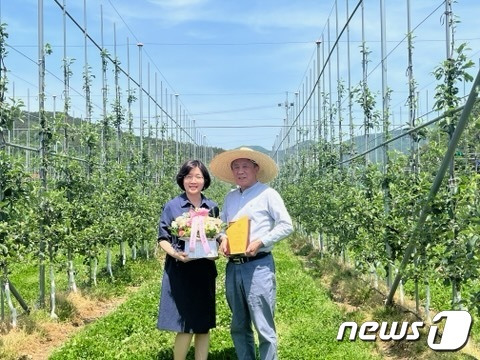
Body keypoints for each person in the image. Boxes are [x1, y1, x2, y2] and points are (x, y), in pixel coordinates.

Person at [209, 147, 293, 360]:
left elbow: (286, 225)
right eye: (236, 167)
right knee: (238, 323)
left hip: (258, 265)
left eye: (245, 166)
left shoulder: (268, 194)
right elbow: (221, 226)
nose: (240, 171)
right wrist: (221, 238)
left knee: (263, 325)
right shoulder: (230, 198)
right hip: (234, 267)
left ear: (256, 168)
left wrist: (261, 241)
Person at [156, 159, 219, 360]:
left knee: (203, 324)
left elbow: (217, 237)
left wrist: (219, 248)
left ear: (205, 180)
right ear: (182, 179)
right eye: (189, 176)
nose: (193, 181)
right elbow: (162, 238)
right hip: (180, 270)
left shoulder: (212, 207)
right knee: (184, 324)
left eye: (198, 177)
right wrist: (175, 254)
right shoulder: (173, 206)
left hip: (204, 271)